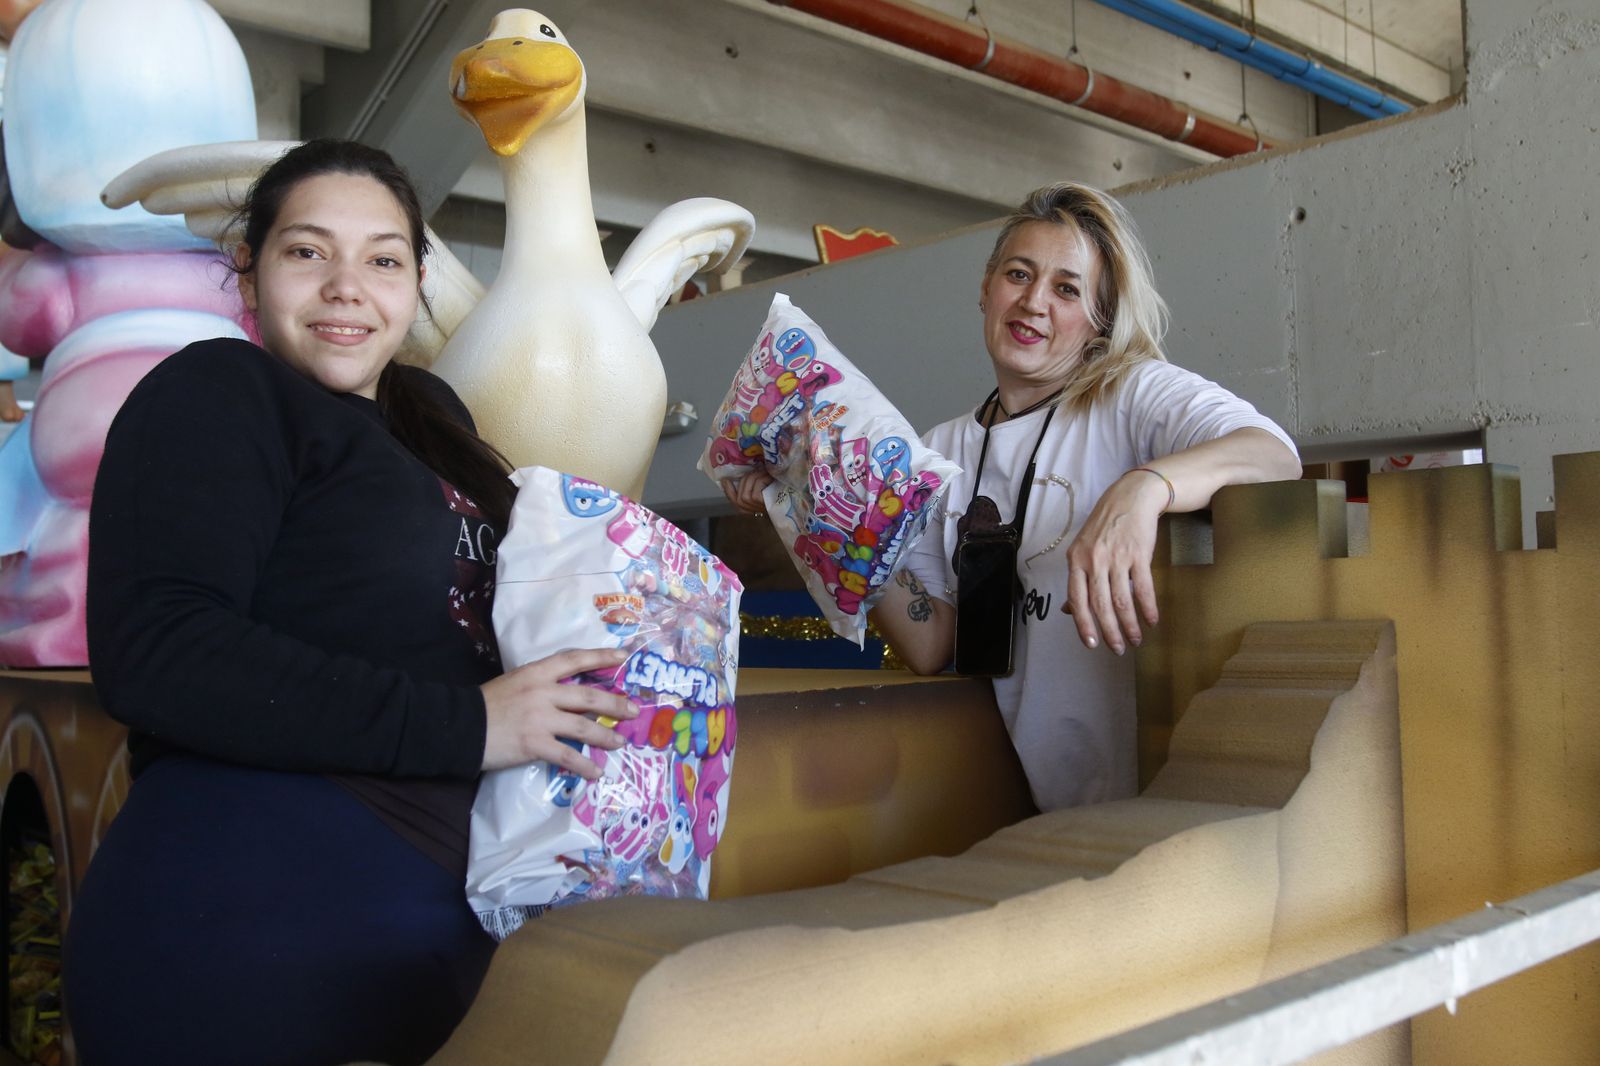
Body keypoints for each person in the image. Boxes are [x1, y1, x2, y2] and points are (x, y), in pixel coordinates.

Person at [63, 139, 637, 1065]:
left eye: (382, 259)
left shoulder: (436, 423)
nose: (346, 286)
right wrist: (471, 726)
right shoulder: (220, 392)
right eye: (307, 251)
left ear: (414, 285)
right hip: (256, 932)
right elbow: (159, 648)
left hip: (439, 926)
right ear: (248, 273)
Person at [726, 181, 1300, 812]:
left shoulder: (1131, 398)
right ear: (985, 287)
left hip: (1163, 806)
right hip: (1041, 814)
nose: (1033, 302)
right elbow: (929, 643)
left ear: (1099, 318)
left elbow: (1272, 455)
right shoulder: (937, 454)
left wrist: (1144, 488)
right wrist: (810, 505)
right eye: (1018, 274)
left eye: (1067, 288)